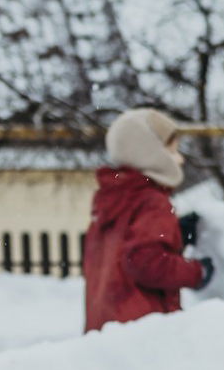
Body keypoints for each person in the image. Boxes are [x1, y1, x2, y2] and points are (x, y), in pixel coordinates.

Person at [84, 108, 215, 332]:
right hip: (143, 331)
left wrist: (176, 234)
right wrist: (197, 272)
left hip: (106, 328)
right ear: (151, 153)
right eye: (173, 151)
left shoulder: (112, 200)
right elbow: (144, 262)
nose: (180, 159)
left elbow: (124, 251)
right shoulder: (153, 201)